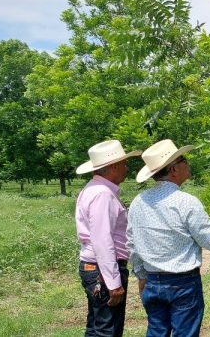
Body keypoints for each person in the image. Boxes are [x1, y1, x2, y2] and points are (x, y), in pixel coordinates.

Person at [127, 139, 210, 336]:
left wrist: (141, 276)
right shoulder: (186, 202)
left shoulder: (139, 202)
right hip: (183, 284)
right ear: (173, 169)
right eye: (183, 160)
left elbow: (132, 244)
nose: (187, 163)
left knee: (156, 332)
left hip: (153, 281)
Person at [75, 139, 141, 337]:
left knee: (97, 327)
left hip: (95, 268)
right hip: (102, 271)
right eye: (123, 163)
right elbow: (102, 240)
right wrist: (113, 283)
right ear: (112, 166)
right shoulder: (103, 194)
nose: (126, 168)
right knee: (108, 330)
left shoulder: (93, 189)